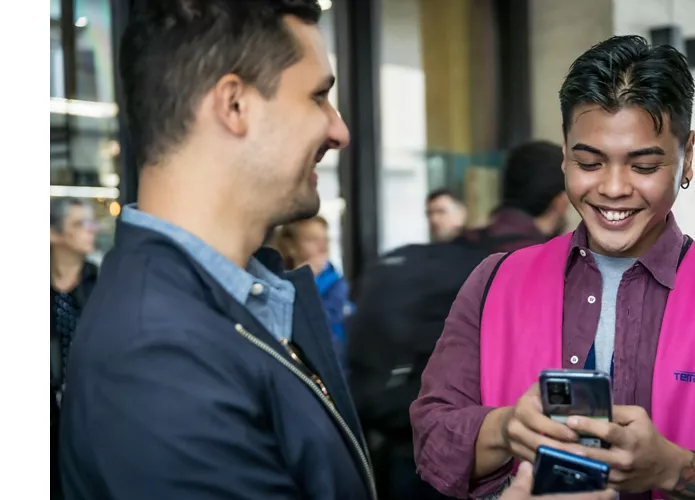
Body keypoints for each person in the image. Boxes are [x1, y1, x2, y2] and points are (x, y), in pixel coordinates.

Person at [410, 35, 695, 500]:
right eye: (589, 162)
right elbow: (432, 436)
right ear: (564, 151)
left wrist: (675, 469)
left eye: (644, 165)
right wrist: (508, 427)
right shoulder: (495, 282)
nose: (613, 189)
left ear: (687, 156)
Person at [58, 1, 370, 499]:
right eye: (317, 98)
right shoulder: (158, 356)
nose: (339, 130)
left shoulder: (232, 302)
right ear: (234, 105)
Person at [346, 140, 568, 500]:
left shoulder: (458, 251)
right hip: (492, 469)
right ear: (560, 202)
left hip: (403, 451)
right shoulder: (541, 270)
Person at [50, 197, 99, 500]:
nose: (92, 230)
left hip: (87, 409)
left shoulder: (100, 282)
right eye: (80, 223)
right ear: (54, 234)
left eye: (92, 222)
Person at [273, 216, 352, 371]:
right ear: (290, 247)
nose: (322, 247)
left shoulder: (336, 283)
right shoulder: (275, 284)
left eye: (326, 240)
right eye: (312, 240)